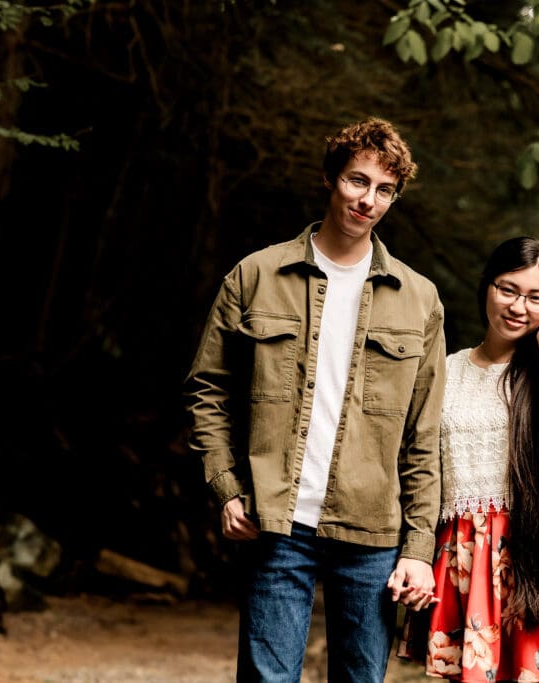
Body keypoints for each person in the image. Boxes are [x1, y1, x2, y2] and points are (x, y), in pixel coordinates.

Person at [184, 118, 445, 682]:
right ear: (331, 178)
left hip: (374, 531)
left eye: (384, 191)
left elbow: (424, 434)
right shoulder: (255, 275)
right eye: (357, 181)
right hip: (277, 521)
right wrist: (226, 486)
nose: (368, 200)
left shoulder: (420, 299)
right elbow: (208, 390)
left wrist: (419, 547)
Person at [401, 236, 539, 682]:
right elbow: (418, 464)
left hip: (535, 551)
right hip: (462, 554)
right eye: (508, 289)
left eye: (536, 298)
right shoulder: (445, 371)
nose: (518, 306)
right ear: (487, 287)